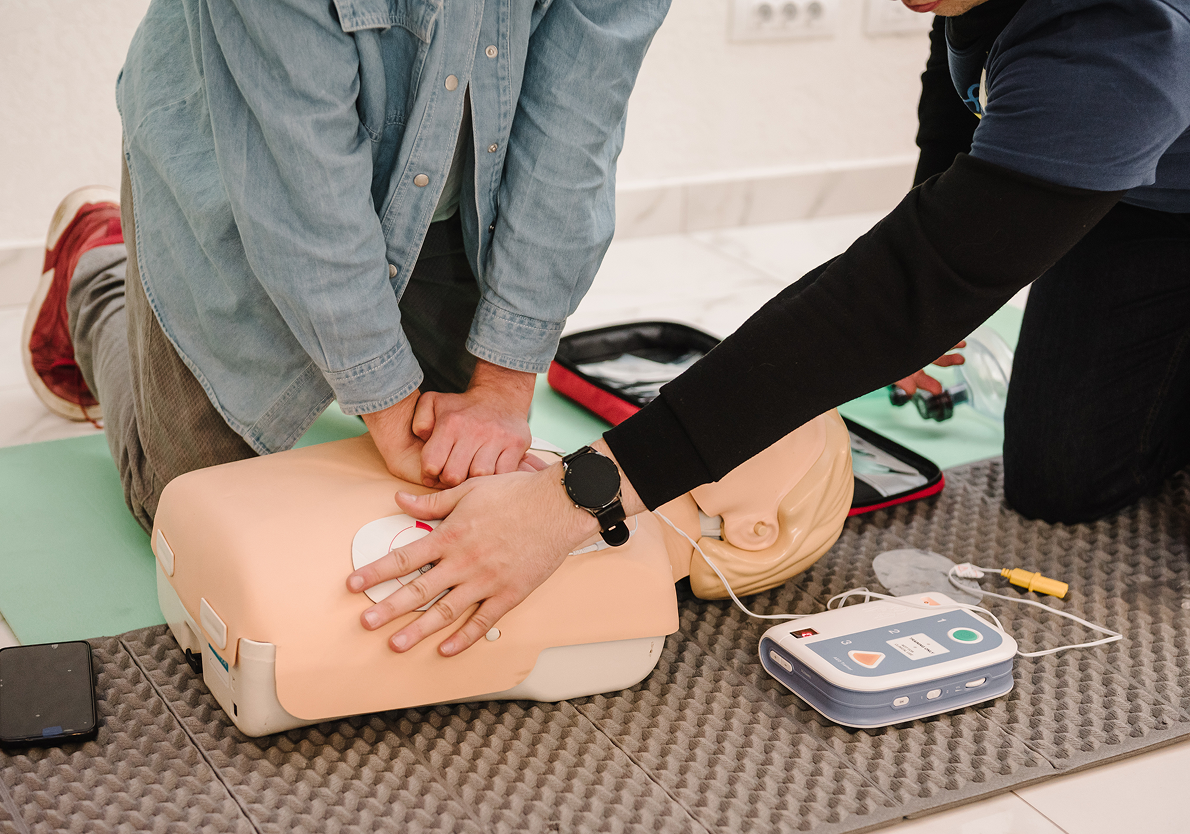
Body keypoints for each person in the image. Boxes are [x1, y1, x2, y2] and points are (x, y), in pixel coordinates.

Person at [345, 0, 1190, 657]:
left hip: (1143, 125)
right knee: (1063, 485)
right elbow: (963, 83)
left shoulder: (1122, 46)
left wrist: (573, 500)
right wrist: (955, 215)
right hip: (1141, 194)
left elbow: (892, 297)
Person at [22, 0, 672, 533]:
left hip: (456, 181)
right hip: (245, 153)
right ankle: (98, 266)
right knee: (186, 505)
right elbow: (299, 182)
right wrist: (386, 405)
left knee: (467, 472)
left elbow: (574, 129)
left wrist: (502, 384)